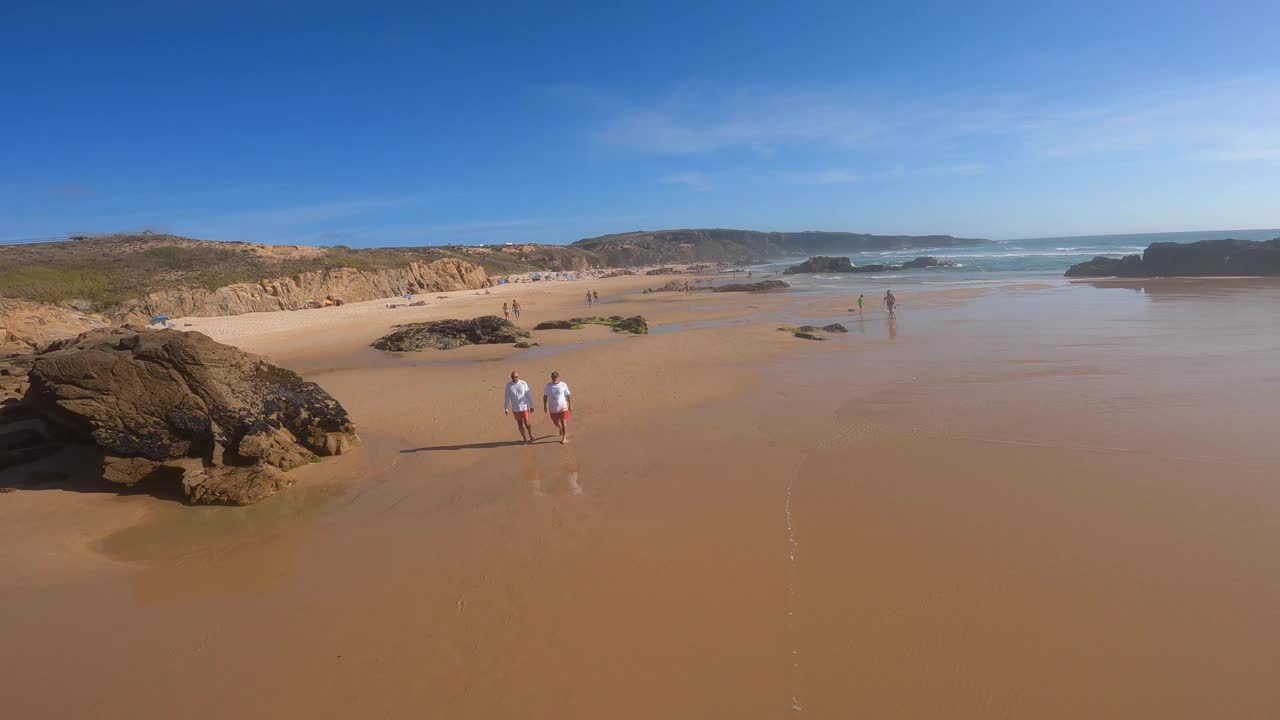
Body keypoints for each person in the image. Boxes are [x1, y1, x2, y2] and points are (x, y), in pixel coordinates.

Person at [504, 370, 536, 444]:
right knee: (520, 424)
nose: (514, 378)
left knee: (527, 423)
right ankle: (525, 439)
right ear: (511, 377)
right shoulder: (508, 385)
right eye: (513, 377)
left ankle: (530, 434)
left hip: (524, 407)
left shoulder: (523, 383)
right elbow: (507, 397)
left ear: (518, 376)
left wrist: (531, 405)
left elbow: (528, 395)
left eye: (516, 377)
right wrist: (506, 408)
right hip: (515, 409)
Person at [543, 371, 572, 444]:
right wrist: (545, 406)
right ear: (551, 377)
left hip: (563, 407)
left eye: (556, 376)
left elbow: (568, 395)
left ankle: (564, 438)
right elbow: (545, 396)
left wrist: (570, 405)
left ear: (558, 377)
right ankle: (560, 428)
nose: (554, 378)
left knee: (563, 422)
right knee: (555, 422)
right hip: (553, 408)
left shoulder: (563, 385)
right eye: (553, 377)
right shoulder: (548, 386)